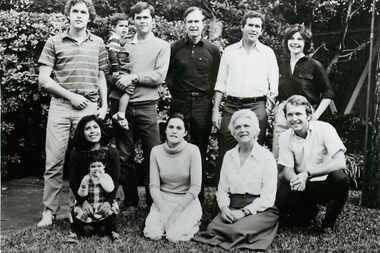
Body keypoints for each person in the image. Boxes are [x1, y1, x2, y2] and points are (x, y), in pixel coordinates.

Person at [37, 0, 109, 227]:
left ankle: (77, 208)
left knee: (85, 161)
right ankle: (49, 212)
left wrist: (104, 104)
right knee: (54, 162)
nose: (79, 15)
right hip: (61, 106)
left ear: (90, 17)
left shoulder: (98, 43)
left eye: (83, 12)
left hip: (88, 107)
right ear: (68, 15)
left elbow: (100, 77)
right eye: (75, 11)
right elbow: (44, 80)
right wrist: (70, 97)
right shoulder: (53, 42)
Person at [109, 1, 170, 209]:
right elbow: (113, 71)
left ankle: (154, 201)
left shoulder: (162, 46)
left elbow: (158, 76)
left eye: (146, 17)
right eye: (138, 17)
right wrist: (118, 79)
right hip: (122, 107)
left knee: (153, 153)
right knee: (124, 154)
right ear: (133, 20)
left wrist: (133, 77)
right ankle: (131, 199)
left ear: (152, 20)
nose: (142, 21)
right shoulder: (123, 43)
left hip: (147, 106)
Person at [194, 109, 279, 251]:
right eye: (238, 127)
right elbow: (222, 189)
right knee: (212, 227)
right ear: (233, 132)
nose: (242, 130)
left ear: (255, 130)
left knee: (239, 229)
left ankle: (239, 231)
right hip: (233, 205)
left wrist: (244, 212)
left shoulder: (266, 157)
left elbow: (268, 198)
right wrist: (224, 208)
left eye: (246, 126)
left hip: (259, 209)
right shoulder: (229, 156)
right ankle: (237, 230)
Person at [212, 10, 279, 171]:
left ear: (261, 30)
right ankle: (223, 193)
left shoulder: (267, 53)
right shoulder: (229, 51)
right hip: (231, 107)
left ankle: (252, 193)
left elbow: (274, 87)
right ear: (242, 27)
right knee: (226, 150)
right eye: (250, 25)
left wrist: (267, 109)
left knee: (254, 151)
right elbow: (220, 83)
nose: (254, 29)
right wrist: (215, 111)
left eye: (258, 26)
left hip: (257, 107)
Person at [166, 6, 221, 203]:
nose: (193, 25)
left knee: (199, 149)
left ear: (203, 24)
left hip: (202, 105)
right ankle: (176, 193)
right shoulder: (174, 48)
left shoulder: (213, 50)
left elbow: (216, 81)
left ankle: (196, 197)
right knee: (176, 146)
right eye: (190, 21)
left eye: (197, 21)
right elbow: (169, 77)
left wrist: (210, 105)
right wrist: (180, 95)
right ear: (184, 24)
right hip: (180, 103)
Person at [276, 95, 349, 233]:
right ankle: (308, 211)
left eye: (298, 114)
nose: (294, 118)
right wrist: (296, 180)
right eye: (290, 114)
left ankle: (328, 224)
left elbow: (340, 162)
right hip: (304, 186)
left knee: (341, 179)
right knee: (293, 216)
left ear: (308, 115)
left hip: (325, 181)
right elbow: (287, 169)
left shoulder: (325, 128)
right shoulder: (285, 136)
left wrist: (307, 174)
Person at [272, 24, 335, 159]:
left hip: (305, 114)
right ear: (287, 41)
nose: (295, 42)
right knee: (280, 156)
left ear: (305, 43)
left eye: (299, 39)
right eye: (292, 39)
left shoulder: (314, 65)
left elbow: (328, 93)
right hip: (283, 114)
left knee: (303, 157)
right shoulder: (280, 63)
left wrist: (316, 115)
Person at [143, 113, 202, 242]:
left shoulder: (193, 151)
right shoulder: (156, 151)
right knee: (153, 234)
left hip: (186, 202)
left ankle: (193, 222)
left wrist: (176, 213)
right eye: (171, 127)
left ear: (185, 132)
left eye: (179, 128)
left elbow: (196, 187)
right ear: (166, 130)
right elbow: (154, 186)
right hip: (163, 200)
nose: (174, 131)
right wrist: (163, 209)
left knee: (174, 236)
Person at [68, 115, 120, 241]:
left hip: (104, 197)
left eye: (95, 127)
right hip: (85, 196)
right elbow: (74, 182)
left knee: (105, 225)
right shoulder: (76, 153)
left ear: (101, 129)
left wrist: (108, 201)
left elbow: (116, 180)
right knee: (85, 228)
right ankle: (81, 229)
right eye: (88, 128)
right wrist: (82, 201)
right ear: (82, 132)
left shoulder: (111, 152)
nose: (92, 131)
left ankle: (108, 230)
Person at [107, 13, 133, 130]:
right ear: (113, 27)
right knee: (130, 88)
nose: (124, 29)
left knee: (127, 89)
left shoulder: (122, 40)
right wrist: (116, 69)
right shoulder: (114, 38)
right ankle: (121, 114)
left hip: (121, 70)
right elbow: (112, 54)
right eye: (121, 26)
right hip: (117, 71)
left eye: (126, 26)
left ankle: (120, 114)